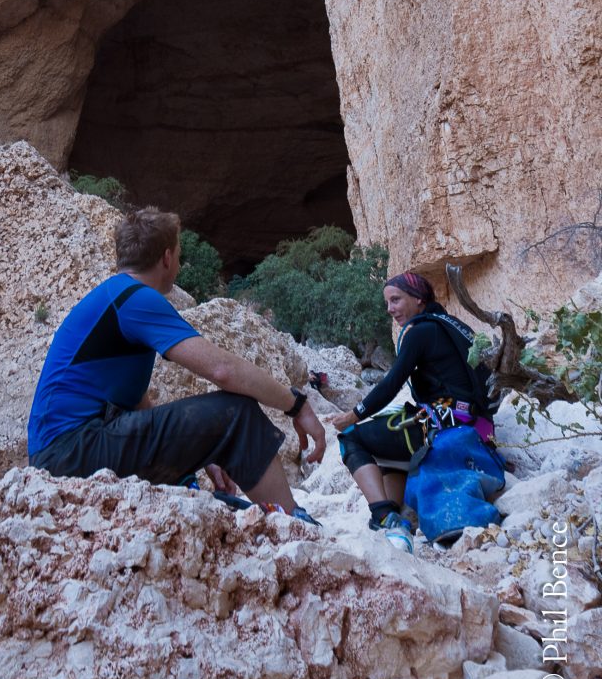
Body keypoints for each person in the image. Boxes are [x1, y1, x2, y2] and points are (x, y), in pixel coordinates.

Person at [28, 207, 326, 521]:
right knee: (238, 413)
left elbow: (139, 408)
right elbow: (222, 370)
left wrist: (201, 451)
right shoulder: (134, 298)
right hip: (73, 449)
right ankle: (293, 522)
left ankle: (272, 521)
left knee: (218, 507)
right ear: (167, 258)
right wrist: (297, 405)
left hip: (64, 453)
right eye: (179, 256)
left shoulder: (113, 296)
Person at [329, 270, 495, 552]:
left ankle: (382, 517)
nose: (390, 309)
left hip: (443, 425)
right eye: (387, 303)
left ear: (418, 299)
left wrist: (353, 415)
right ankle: (395, 511)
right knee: (387, 446)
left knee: (352, 438)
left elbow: (391, 383)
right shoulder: (452, 325)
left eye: (395, 300)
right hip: (476, 425)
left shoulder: (420, 331)